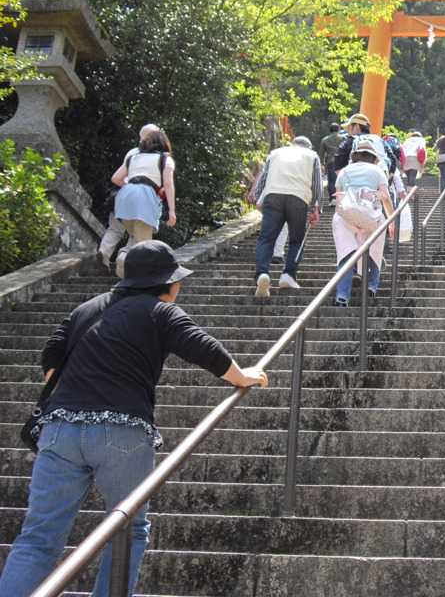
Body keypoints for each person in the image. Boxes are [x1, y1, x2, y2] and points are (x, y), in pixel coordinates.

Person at [0, 241, 267, 597]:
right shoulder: (162, 312)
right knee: (126, 530)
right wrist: (242, 377)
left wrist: (73, 390)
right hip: (121, 431)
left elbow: (52, 352)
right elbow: (202, 347)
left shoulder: (89, 308)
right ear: (169, 283)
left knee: (38, 538)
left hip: (60, 427)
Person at [252, 135, 322, 295]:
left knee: (266, 238)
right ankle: (288, 274)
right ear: (308, 147)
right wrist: (316, 207)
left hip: (273, 195)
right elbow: (317, 181)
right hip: (298, 197)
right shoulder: (312, 156)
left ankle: (262, 274)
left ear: (293, 145)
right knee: (297, 239)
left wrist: (257, 198)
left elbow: (264, 176)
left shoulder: (276, 153)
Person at [332, 138, 395, 307]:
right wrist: (391, 222)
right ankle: (371, 287)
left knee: (346, 256)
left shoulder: (344, 171)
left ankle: (342, 296)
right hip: (371, 216)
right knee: (374, 251)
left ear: (355, 155)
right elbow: (386, 199)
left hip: (347, 217)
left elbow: (339, 201)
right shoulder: (377, 171)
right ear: (373, 157)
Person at [110, 128, 176, 279]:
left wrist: (131, 189)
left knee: (134, 236)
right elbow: (168, 184)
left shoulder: (133, 157)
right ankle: (141, 282)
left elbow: (116, 178)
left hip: (124, 197)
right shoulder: (165, 160)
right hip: (145, 196)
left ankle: (125, 253)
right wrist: (172, 211)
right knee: (145, 246)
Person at [98, 123, 158, 271]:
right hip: (140, 199)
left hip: (121, 196)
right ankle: (125, 258)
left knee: (115, 228)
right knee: (137, 232)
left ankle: (104, 252)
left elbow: (117, 177)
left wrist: (127, 188)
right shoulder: (156, 155)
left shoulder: (132, 152)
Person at [318, 122, 346, 202]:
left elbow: (321, 154)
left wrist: (322, 164)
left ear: (330, 131)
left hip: (330, 161)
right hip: (341, 161)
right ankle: (341, 198)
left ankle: (333, 199)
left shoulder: (325, 140)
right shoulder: (342, 138)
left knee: (332, 181)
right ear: (338, 130)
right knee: (342, 180)